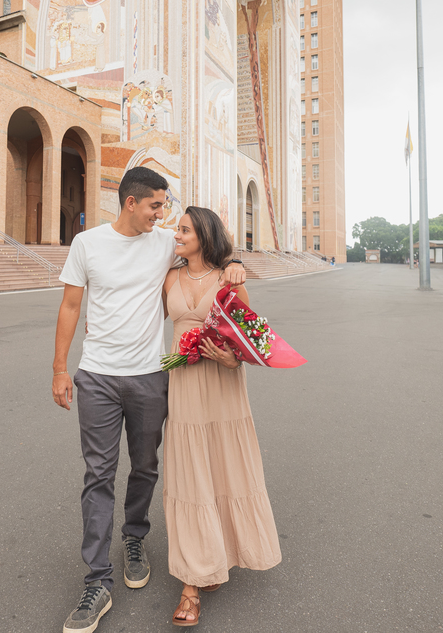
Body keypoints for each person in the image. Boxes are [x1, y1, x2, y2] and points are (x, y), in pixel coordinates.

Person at [52, 168, 246, 633]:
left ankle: (134, 537)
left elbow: (210, 249)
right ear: (131, 203)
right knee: (97, 473)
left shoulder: (165, 244)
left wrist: (236, 263)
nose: (164, 215)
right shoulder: (88, 245)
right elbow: (71, 306)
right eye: (157, 206)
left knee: (144, 467)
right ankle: (96, 581)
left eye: (166, 208)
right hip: (96, 375)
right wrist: (60, 367)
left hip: (148, 378)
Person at [161, 206, 281, 627]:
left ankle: (215, 557)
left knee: (222, 469)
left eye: (185, 229)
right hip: (184, 388)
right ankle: (191, 584)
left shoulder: (230, 279)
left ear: (204, 236)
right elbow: (145, 322)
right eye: (177, 228)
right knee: (191, 475)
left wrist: (233, 360)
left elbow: (252, 342)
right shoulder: (170, 278)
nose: (178, 234)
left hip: (224, 388)